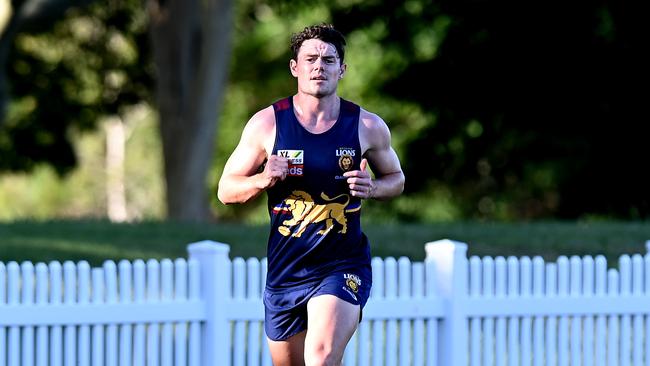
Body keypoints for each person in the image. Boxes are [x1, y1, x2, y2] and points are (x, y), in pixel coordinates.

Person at [218, 23, 404, 366]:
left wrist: (373, 187)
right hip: (286, 272)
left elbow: (397, 178)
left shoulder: (366, 126)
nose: (319, 66)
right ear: (295, 68)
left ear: (342, 69)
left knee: (320, 357)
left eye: (329, 60)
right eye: (311, 59)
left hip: (343, 265)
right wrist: (262, 179)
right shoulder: (267, 125)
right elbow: (226, 190)